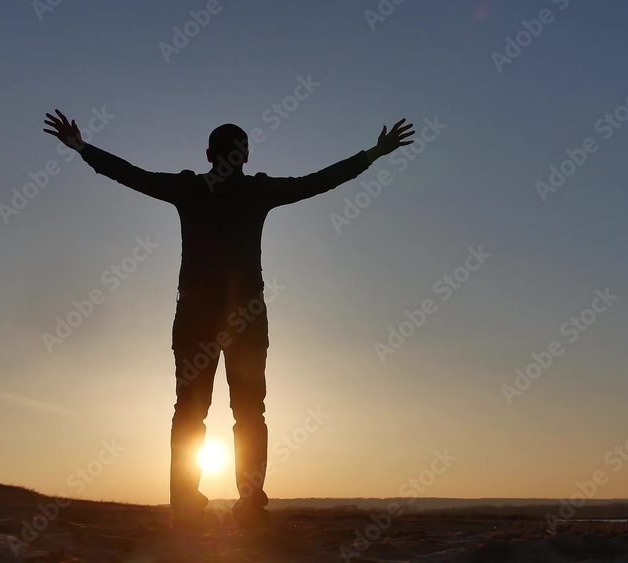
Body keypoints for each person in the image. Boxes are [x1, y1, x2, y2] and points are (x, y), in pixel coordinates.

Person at [43, 109, 415, 531]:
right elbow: (318, 182)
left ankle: (185, 503)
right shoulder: (257, 191)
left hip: (198, 312)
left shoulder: (189, 188)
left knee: (190, 411)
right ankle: (250, 502)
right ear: (246, 157)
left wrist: (81, 148)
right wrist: (374, 153)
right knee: (249, 412)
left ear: (208, 154)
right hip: (246, 315)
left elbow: (132, 175)